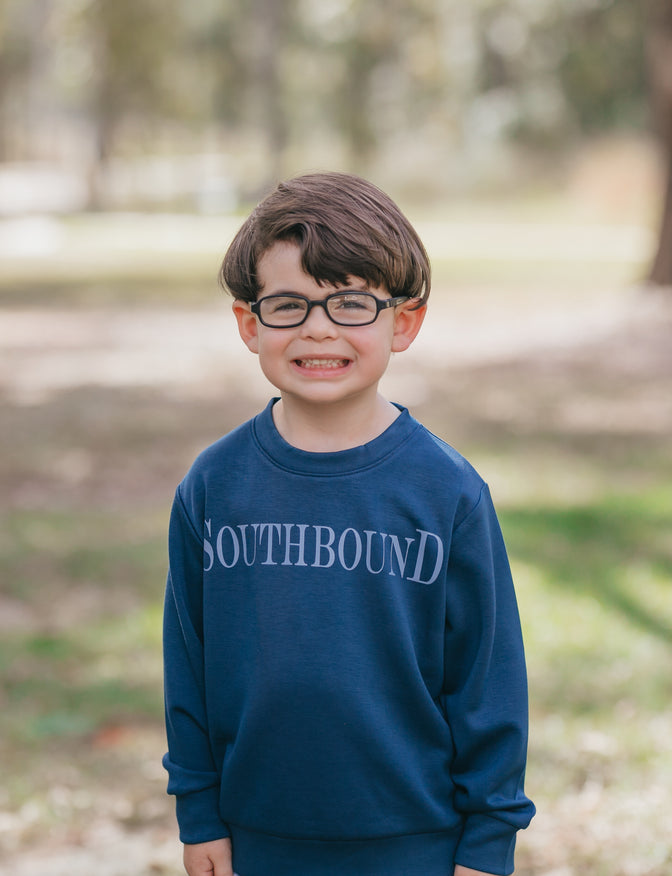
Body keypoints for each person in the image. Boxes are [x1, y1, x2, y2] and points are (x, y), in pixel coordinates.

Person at [162, 171, 535, 876]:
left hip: (416, 844)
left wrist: (488, 842)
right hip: (253, 840)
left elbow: (488, 680)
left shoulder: (447, 493)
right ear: (249, 323)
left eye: (351, 303)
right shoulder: (212, 487)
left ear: (404, 321)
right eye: (289, 306)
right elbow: (188, 665)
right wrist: (199, 810)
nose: (319, 328)